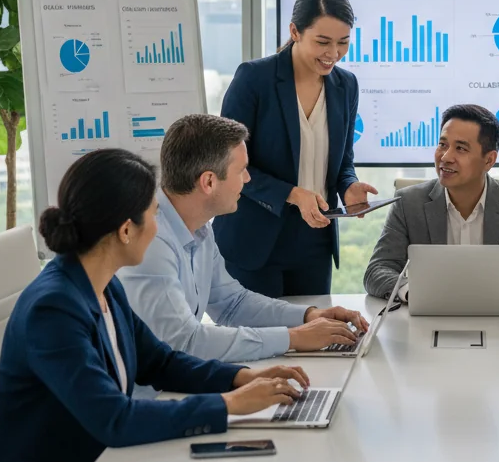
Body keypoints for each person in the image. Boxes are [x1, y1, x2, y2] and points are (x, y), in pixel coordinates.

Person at [0, 149, 309, 462]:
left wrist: (242, 376)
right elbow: (113, 419)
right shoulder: (55, 308)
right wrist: (230, 404)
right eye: (153, 214)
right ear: (126, 230)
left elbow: (160, 361)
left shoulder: (100, 284)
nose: (160, 226)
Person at [120, 114, 369, 363]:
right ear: (208, 181)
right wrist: (294, 338)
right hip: (151, 396)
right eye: (241, 171)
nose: (248, 179)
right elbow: (184, 342)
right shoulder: (151, 241)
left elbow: (232, 304)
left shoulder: (200, 230)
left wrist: (311, 316)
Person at [214, 0, 378, 298]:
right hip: (255, 240)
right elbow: (226, 164)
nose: (333, 53)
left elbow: (342, 162)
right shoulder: (254, 79)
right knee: (261, 344)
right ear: (295, 31)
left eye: (343, 43)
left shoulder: (346, 86)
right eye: (323, 42)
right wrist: (292, 194)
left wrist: (349, 186)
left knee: (314, 339)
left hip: (314, 242)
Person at [364, 103, 499, 302]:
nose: (445, 157)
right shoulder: (408, 203)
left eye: (460, 148)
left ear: (489, 160)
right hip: (426, 319)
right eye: (443, 144)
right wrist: (412, 293)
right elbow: (377, 270)